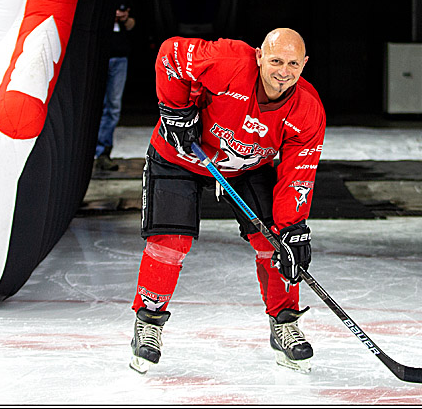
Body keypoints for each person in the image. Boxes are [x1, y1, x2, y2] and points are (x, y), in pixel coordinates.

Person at [129, 28, 326, 375]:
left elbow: (297, 175)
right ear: (259, 55)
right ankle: (148, 322)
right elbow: (171, 54)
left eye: (293, 64)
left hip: (246, 167)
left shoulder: (307, 109)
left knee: (276, 242)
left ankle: (284, 322)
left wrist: (293, 227)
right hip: (181, 154)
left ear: (305, 63)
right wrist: (175, 109)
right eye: (276, 61)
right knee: (170, 242)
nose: (283, 71)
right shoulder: (229, 61)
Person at [95, 1, 136, 172]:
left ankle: (103, 152)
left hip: (119, 59)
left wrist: (124, 18)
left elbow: (133, 25)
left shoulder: (124, 9)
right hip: (98, 57)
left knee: (113, 106)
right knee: (94, 106)